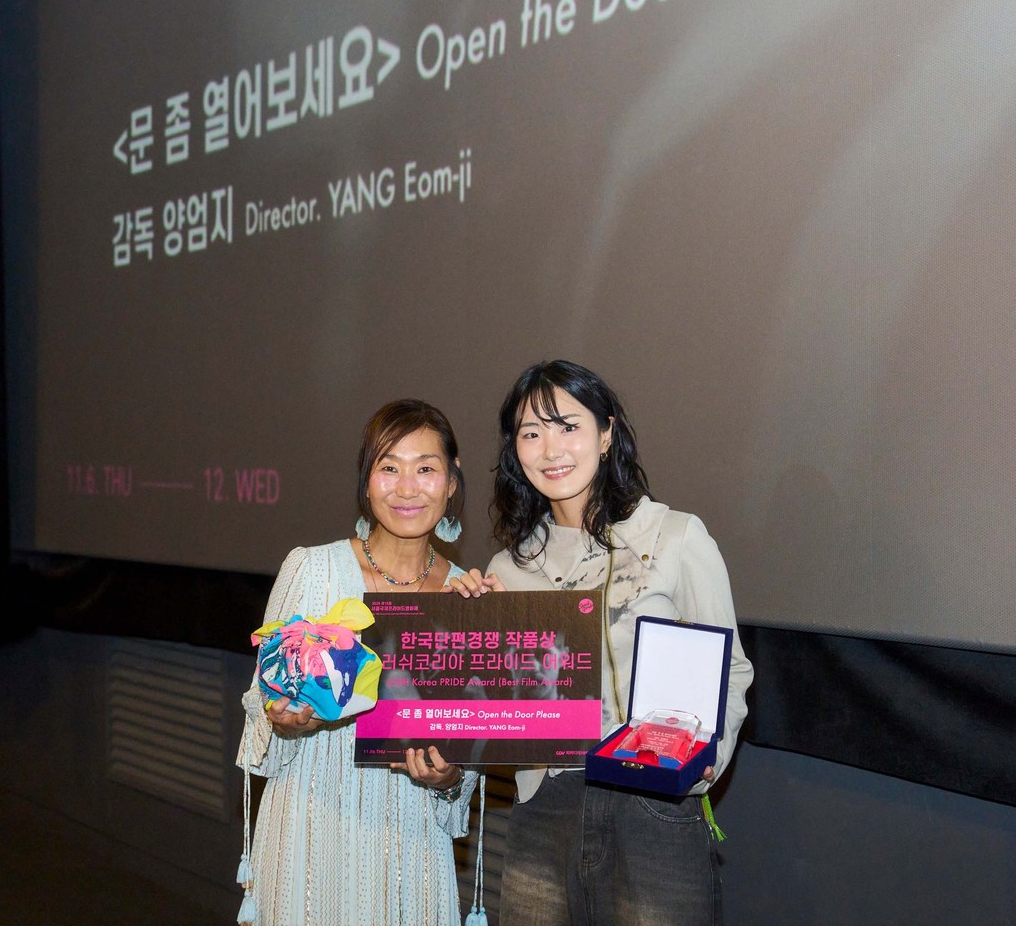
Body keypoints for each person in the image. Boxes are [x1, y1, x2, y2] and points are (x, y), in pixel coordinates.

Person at [451, 360, 754, 926]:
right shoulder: (506, 570)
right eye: (531, 433)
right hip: (546, 806)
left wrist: (707, 757)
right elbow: (499, 709)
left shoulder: (675, 537)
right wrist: (470, 628)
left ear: (606, 433)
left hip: (652, 802)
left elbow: (729, 668)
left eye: (568, 426)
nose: (551, 449)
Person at [235, 399, 479, 926]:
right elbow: (261, 701)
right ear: (367, 483)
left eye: (426, 469)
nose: (407, 488)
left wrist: (449, 779)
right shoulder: (313, 570)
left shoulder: (467, 596)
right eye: (389, 467)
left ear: (452, 482)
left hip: (412, 843)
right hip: (309, 830)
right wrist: (283, 720)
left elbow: (470, 756)